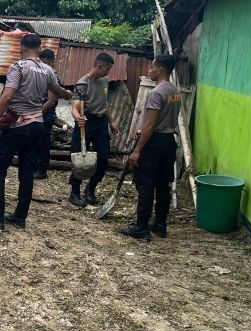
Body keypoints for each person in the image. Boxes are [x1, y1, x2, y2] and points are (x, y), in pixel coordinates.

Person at [0, 34, 73, 230]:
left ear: (21, 48)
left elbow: (6, 97)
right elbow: (59, 92)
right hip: (37, 125)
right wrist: (68, 94)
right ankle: (20, 217)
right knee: (27, 172)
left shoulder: (18, 67)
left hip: (17, 125)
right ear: (39, 48)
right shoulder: (48, 70)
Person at [121, 55, 181, 239]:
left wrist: (137, 150)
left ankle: (141, 227)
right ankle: (160, 224)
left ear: (160, 69)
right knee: (163, 184)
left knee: (146, 184)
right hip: (169, 141)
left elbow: (150, 125)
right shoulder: (175, 91)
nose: (150, 71)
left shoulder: (156, 93)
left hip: (154, 142)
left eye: (152, 68)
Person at [68, 53, 120, 208]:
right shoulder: (82, 83)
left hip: (101, 122)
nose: (109, 72)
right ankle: (74, 192)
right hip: (85, 121)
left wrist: (112, 122)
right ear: (100, 66)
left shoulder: (104, 81)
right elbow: (75, 107)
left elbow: (106, 104)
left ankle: (90, 189)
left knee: (103, 158)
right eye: (108, 69)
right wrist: (78, 117)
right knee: (79, 157)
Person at [35, 48, 60, 180]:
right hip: (39, 113)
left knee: (43, 143)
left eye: (45, 62)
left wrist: (37, 113)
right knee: (35, 142)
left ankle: (42, 170)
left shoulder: (53, 76)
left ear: (52, 61)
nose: (42, 65)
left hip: (46, 114)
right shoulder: (40, 74)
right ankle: (35, 168)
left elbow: (51, 101)